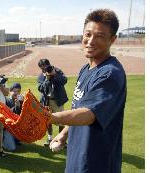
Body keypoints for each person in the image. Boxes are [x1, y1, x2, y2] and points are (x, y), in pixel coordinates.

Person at [49, 9, 126, 173]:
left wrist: (48, 118)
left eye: (99, 36)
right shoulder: (86, 69)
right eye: (88, 34)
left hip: (96, 164)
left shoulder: (110, 74)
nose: (90, 41)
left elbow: (89, 114)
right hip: (76, 159)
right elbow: (79, 108)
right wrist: (64, 134)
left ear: (112, 40)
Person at [37, 58, 68, 147]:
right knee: (48, 120)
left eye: (45, 67)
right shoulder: (41, 76)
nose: (44, 70)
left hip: (57, 101)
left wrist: (54, 75)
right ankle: (49, 138)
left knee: (61, 120)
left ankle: (62, 140)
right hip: (47, 102)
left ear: (49, 65)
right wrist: (47, 79)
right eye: (42, 68)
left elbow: (64, 80)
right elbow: (40, 88)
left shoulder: (57, 71)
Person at [2, 83, 23, 151]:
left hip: (16, 126)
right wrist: (16, 106)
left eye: (18, 91)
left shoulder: (21, 100)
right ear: (10, 91)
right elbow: (7, 114)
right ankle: (0, 141)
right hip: (7, 127)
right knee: (11, 148)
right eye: (14, 91)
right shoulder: (6, 100)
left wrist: (24, 103)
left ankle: (16, 138)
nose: (16, 93)